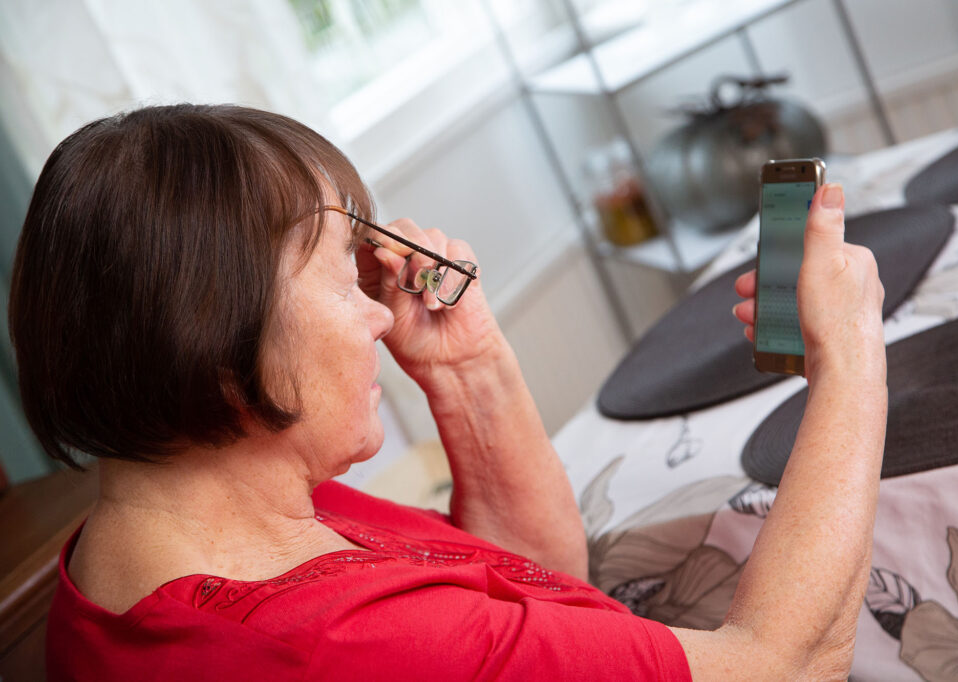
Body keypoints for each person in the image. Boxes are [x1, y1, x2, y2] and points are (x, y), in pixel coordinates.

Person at [9, 104, 886, 681]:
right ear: (214, 335)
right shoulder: (344, 645)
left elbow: (535, 581)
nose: (377, 318)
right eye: (343, 280)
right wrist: (849, 355)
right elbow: (787, 662)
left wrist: (468, 369)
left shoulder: (167, 532)